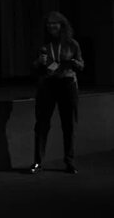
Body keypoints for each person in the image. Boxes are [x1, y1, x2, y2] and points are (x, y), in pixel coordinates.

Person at [29, 10, 84, 175]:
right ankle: (38, 162)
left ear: (62, 25)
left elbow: (81, 65)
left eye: (55, 23)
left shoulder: (72, 44)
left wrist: (73, 63)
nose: (51, 27)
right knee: (41, 124)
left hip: (67, 84)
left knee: (69, 124)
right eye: (49, 24)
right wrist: (39, 62)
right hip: (47, 85)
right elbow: (34, 68)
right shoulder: (43, 45)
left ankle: (69, 161)